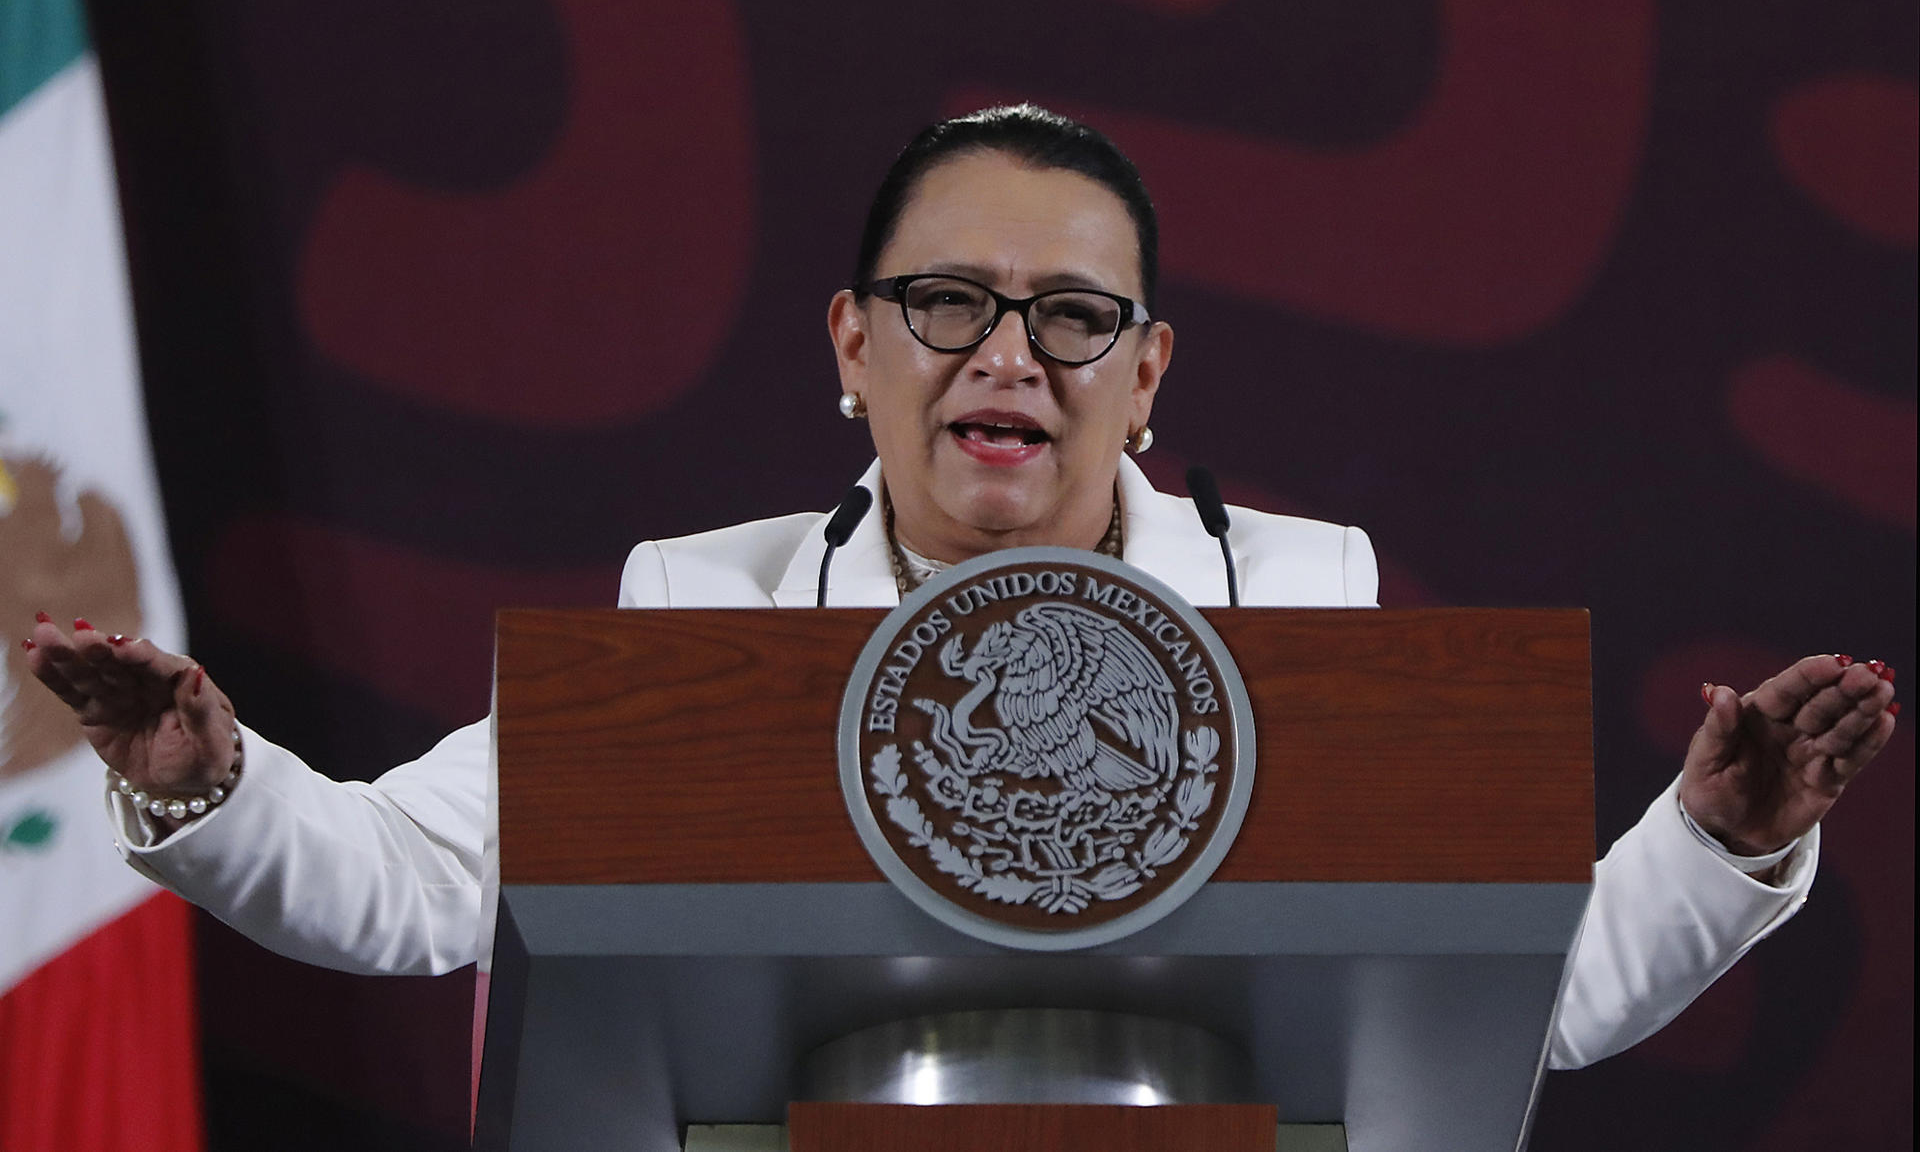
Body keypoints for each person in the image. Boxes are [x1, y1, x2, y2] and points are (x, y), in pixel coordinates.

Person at [22, 105, 1899, 1070]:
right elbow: (410, 883)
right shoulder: (707, 608)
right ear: (854, 343)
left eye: (1075, 315)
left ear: (1148, 373)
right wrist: (206, 773)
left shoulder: (1306, 599)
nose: (1011, 352)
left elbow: (1513, 997)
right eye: (949, 304)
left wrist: (1713, 844)